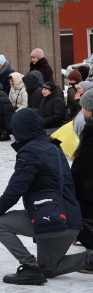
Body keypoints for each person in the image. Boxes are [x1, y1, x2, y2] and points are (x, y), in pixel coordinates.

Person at [0, 108, 93, 285]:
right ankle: (90, 259)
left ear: (21, 128)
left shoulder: (30, 152)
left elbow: (15, 189)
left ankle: (29, 267)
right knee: (48, 269)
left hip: (52, 218)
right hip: (69, 221)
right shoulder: (52, 146)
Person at [72, 89, 93, 253]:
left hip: (88, 185)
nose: (82, 111)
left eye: (84, 108)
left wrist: (73, 184)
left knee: (79, 216)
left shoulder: (91, 129)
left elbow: (83, 164)